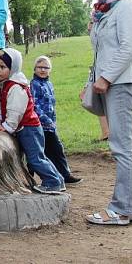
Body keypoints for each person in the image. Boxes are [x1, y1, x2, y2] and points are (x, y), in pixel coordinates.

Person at [84, 0, 132, 226]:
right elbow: (103, 53)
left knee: (121, 146)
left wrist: (105, 78)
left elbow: (128, 49)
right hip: (112, 82)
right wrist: (92, 80)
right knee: (130, 146)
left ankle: (121, 209)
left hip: (121, 83)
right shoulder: (103, 13)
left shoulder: (126, 8)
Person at [0, 48, 65, 194]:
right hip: (23, 127)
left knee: (35, 159)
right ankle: (58, 179)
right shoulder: (3, 85)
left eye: (3, 67)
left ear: (14, 68)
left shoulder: (17, 87)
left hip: (29, 128)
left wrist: (7, 126)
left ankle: (52, 182)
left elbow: (16, 110)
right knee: (38, 157)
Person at [30, 55, 82, 185]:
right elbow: (34, 105)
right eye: (40, 67)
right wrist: (46, 119)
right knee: (43, 151)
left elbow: (52, 105)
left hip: (50, 125)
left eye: (46, 67)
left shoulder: (49, 84)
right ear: (35, 69)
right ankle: (59, 176)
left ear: (50, 70)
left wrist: (53, 121)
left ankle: (63, 175)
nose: (43, 70)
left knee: (54, 150)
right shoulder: (34, 84)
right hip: (39, 124)